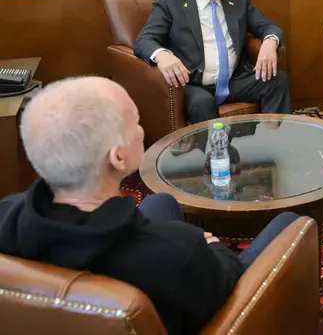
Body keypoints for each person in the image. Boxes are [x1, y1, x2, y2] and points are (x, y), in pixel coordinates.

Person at [0, 77, 300, 335]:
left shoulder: (6, 215)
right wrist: (210, 246)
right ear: (118, 158)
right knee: (290, 222)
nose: (141, 129)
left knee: (161, 202)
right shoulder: (180, 251)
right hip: (203, 308)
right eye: (135, 122)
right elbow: (230, 276)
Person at [134, 0, 291, 123]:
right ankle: (219, 151)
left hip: (234, 81)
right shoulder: (171, 0)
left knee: (277, 81)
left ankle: (275, 144)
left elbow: (269, 27)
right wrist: (162, 55)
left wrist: (270, 42)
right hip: (194, 85)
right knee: (203, 103)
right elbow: (144, 40)